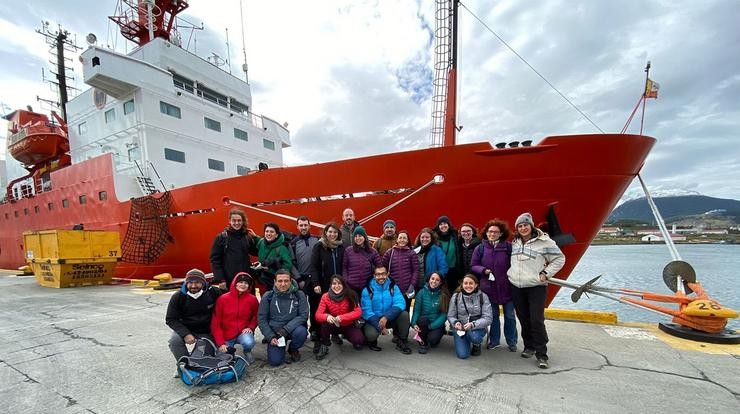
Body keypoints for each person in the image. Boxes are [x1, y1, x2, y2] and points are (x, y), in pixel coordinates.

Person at [508, 212, 565, 369]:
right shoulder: (515, 242)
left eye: (525, 225)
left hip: (536, 287)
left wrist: (546, 274)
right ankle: (529, 347)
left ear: (531, 226)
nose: (523, 228)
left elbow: (560, 259)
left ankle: (542, 354)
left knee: (536, 320)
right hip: (517, 286)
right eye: (520, 226)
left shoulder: (545, 242)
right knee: (524, 318)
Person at [471, 219, 517, 352]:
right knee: (493, 316)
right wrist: (483, 270)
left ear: (501, 233)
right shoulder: (480, 248)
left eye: (496, 232)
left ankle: (511, 341)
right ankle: (495, 340)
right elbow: (473, 265)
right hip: (489, 288)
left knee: (509, 315)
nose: (492, 234)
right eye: (490, 231)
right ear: (486, 233)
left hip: (506, 287)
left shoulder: (508, 247)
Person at [165, 269, 222, 361]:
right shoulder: (178, 297)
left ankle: (196, 361)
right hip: (186, 328)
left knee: (205, 357)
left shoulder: (213, 292)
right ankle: (184, 364)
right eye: (190, 282)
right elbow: (171, 319)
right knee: (174, 342)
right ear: (186, 283)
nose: (193, 286)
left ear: (204, 283)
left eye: (198, 282)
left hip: (206, 331)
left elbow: (228, 304)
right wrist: (186, 334)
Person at [257, 269, 310, 366]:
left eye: (286, 281)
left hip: (293, 329)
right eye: (280, 281)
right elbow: (262, 319)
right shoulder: (268, 296)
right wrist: (270, 336)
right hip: (275, 333)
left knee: (302, 332)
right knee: (275, 361)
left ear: (291, 281)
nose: (283, 284)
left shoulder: (299, 295)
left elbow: (303, 315)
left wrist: (285, 330)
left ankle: (293, 349)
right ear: (275, 282)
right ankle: (278, 347)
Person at [310, 222, 345, 352]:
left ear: (338, 234)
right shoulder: (319, 246)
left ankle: (335, 333)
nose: (332, 234)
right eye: (330, 232)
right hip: (323, 284)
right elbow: (313, 266)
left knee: (337, 310)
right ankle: (319, 339)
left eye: (335, 232)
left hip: (338, 285)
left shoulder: (341, 247)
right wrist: (315, 283)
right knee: (322, 312)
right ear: (325, 233)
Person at [361, 266, 412, 354]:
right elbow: (366, 311)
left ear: (387, 274)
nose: (381, 277)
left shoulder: (393, 287)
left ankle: (401, 340)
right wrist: (380, 326)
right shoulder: (367, 290)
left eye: (383, 274)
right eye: (378, 274)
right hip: (374, 320)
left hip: (389, 317)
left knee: (404, 314)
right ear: (374, 275)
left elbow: (400, 303)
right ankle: (372, 342)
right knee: (371, 335)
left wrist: (386, 317)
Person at [210, 272, 259, 363]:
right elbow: (215, 322)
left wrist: (251, 327)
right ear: (234, 283)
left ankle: (247, 351)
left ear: (249, 286)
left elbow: (256, 315)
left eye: (246, 283)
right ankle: (229, 352)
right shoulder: (223, 299)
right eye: (240, 282)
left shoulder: (252, 299)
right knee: (224, 360)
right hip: (226, 334)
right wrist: (220, 343)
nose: (243, 285)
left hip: (242, 332)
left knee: (249, 342)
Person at [314, 275, 365, 359]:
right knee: (324, 325)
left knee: (358, 340)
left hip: (348, 324)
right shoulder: (325, 296)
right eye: (334, 283)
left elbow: (358, 312)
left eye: (339, 283)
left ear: (343, 285)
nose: (336, 286)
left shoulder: (351, 294)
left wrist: (342, 317)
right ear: (330, 285)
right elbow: (318, 315)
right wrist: (327, 317)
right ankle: (325, 345)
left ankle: (348, 337)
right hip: (333, 324)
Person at [209, 208, 258, 290]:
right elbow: (215, 260)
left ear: (243, 221)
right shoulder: (222, 238)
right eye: (234, 220)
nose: (236, 223)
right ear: (229, 221)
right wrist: (221, 279)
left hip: (246, 279)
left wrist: (256, 238)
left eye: (239, 220)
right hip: (230, 280)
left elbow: (256, 252)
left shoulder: (247, 237)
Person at [447, 274, 493, 359]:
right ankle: (465, 340)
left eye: (471, 283)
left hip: (476, 327)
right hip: (460, 328)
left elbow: (488, 318)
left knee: (474, 337)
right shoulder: (456, 296)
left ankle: (476, 344)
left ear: (476, 285)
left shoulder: (483, 296)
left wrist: (473, 324)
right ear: (462, 284)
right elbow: (450, 315)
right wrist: (456, 322)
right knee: (463, 355)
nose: (468, 286)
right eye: (466, 283)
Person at [290, 216, 320, 340]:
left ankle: (314, 330)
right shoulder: (293, 243)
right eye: (301, 225)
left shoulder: (317, 240)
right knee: (301, 308)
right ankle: (301, 330)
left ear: (309, 226)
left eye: (305, 225)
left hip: (314, 279)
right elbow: (292, 263)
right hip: (301, 280)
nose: (303, 227)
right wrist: (298, 279)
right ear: (297, 226)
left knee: (315, 306)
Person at [411, 272, 450, 354]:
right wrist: (414, 323)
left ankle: (435, 334)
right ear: (429, 280)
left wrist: (432, 326)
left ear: (440, 282)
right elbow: (417, 310)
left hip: (436, 324)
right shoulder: (421, 292)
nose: (434, 281)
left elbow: (444, 315)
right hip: (424, 322)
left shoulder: (444, 295)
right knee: (422, 320)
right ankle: (423, 343)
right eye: (432, 279)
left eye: (437, 280)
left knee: (433, 341)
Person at [382, 230, 419, 310]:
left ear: (407, 240)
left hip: (407, 290)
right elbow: (382, 268)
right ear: (397, 239)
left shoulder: (411, 253)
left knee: (406, 310)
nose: (402, 240)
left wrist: (412, 285)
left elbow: (415, 270)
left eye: (404, 238)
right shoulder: (390, 252)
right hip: (393, 289)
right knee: (393, 309)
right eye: (400, 238)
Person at [255, 222, 295, 291]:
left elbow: (288, 266)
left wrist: (272, 268)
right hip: (262, 280)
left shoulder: (282, 248)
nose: (268, 234)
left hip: (274, 282)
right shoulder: (261, 242)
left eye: (272, 232)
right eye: (266, 231)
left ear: (276, 235)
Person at [342, 226, 382, 295]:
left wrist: (373, 281)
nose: (358, 238)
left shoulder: (372, 252)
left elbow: (379, 267)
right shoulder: (348, 250)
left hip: (367, 287)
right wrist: (346, 281)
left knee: (366, 305)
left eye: (360, 236)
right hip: (351, 288)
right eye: (355, 236)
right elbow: (344, 267)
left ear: (364, 237)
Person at [434, 216, 461, 292]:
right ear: (438, 226)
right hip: (440, 270)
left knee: (453, 291)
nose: (443, 226)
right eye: (441, 224)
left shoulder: (455, 236)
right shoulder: (435, 238)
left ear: (449, 224)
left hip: (453, 270)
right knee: (441, 292)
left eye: (445, 223)